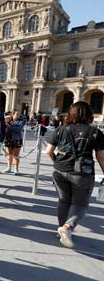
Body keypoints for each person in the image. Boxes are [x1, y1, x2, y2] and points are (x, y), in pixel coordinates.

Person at [45, 101, 104, 248]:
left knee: (64, 200)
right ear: (89, 115)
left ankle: (61, 230)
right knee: (80, 203)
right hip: (82, 173)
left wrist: (57, 162)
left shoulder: (60, 129)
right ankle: (67, 227)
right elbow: (101, 156)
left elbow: (48, 151)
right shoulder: (95, 132)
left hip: (59, 171)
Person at [3, 110, 24, 175]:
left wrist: (10, 127)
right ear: (13, 115)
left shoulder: (20, 122)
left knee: (16, 155)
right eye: (16, 114)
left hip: (17, 140)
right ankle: (9, 168)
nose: (18, 115)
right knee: (9, 155)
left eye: (19, 114)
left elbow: (19, 129)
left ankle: (16, 168)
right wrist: (6, 120)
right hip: (9, 139)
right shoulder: (9, 121)